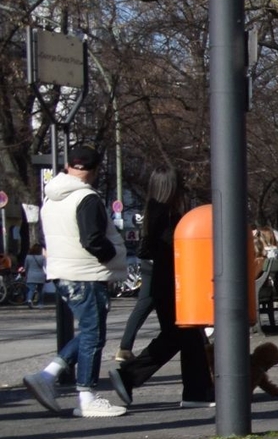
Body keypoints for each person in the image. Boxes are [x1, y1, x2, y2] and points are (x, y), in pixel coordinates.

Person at [23, 144, 129, 418]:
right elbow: (92, 240)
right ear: (94, 171)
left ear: (68, 165)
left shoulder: (52, 198)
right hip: (86, 273)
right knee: (95, 335)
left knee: (90, 332)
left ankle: (48, 375)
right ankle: (87, 396)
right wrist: (113, 254)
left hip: (62, 271)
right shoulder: (86, 198)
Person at [111, 169, 214, 409]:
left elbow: (147, 250)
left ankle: (196, 392)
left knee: (185, 336)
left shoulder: (154, 211)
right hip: (173, 282)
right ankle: (133, 376)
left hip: (165, 281)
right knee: (184, 335)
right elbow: (165, 247)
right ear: (172, 187)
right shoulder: (169, 215)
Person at [117, 168, 178, 364]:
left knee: (145, 305)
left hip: (149, 263)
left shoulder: (151, 209)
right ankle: (127, 361)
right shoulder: (168, 213)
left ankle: (125, 348)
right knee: (173, 328)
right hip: (161, 267)